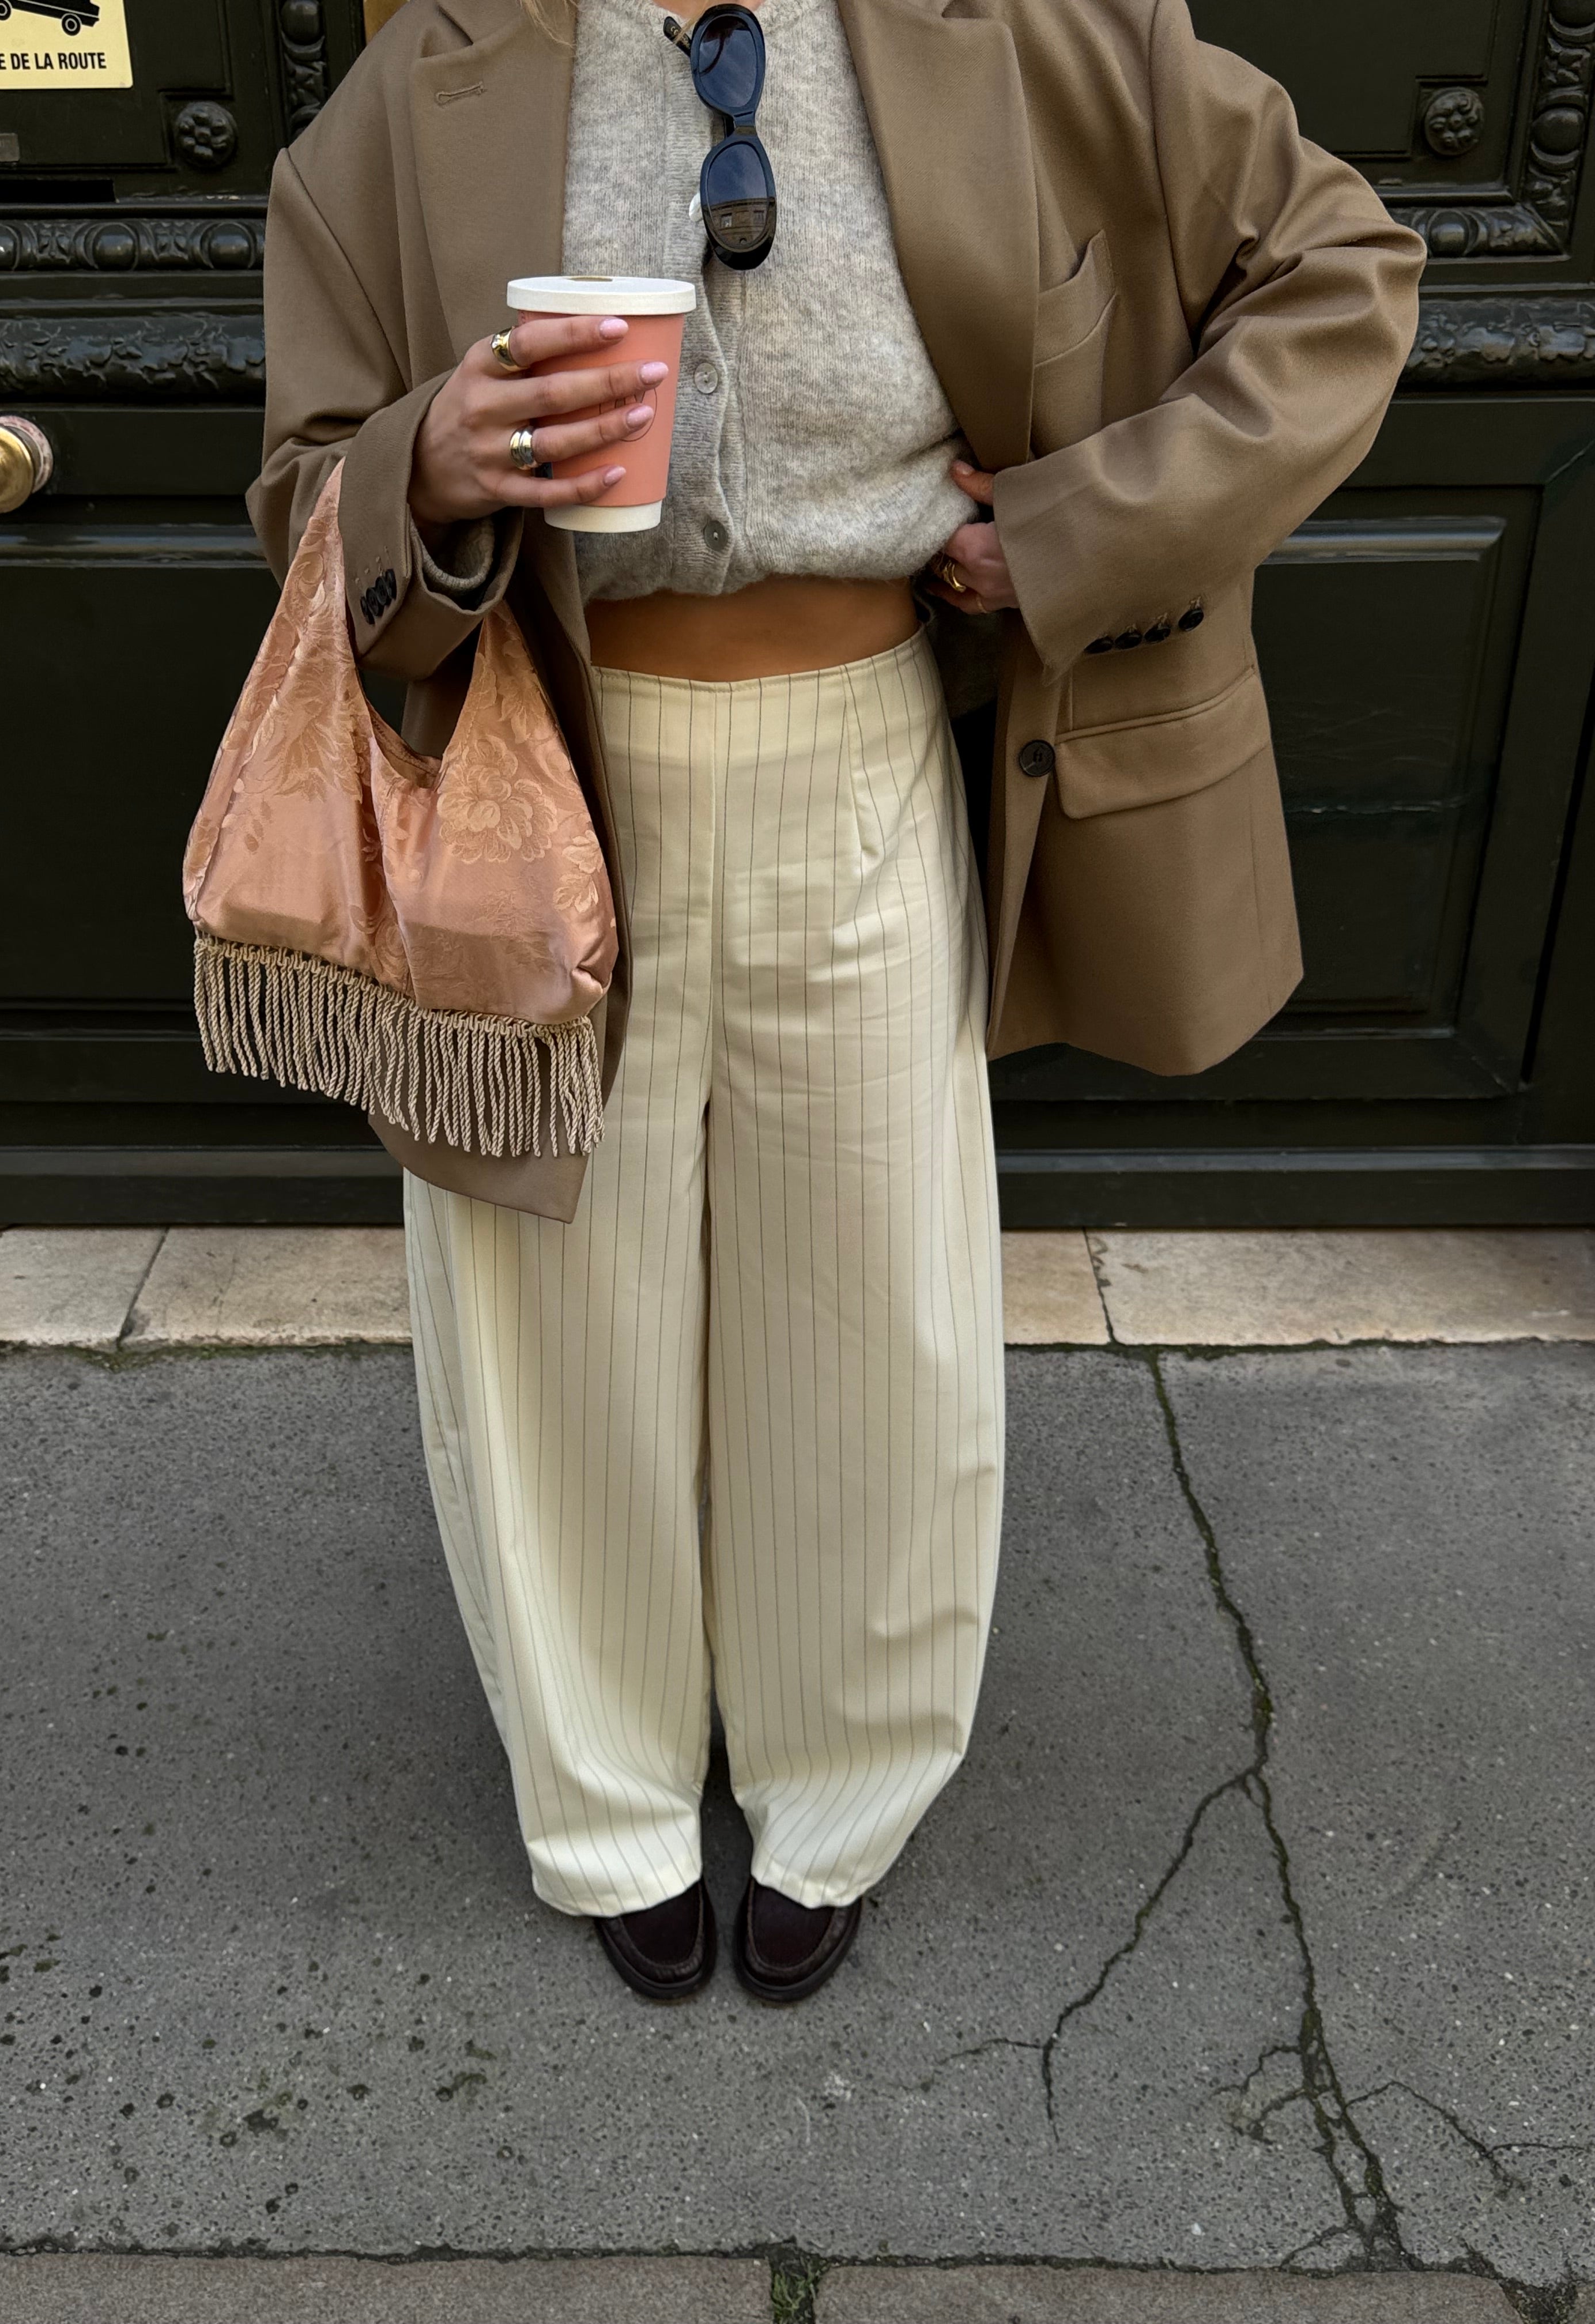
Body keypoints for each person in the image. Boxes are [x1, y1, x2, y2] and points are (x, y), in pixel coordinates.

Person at [247, 0, 1425, 2003]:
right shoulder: (429, 70)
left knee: (870, 1305)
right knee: (550, 1319)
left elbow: (1344, 277)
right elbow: (300, 478)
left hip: (865, 744)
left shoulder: (1049, 30)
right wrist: (422, 467)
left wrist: (1065, 529)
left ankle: (841, 1779)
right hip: (543, 764)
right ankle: (607, 1793)